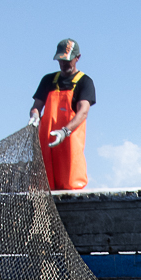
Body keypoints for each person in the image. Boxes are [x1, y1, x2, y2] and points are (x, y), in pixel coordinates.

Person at [30, 39, 95, 191]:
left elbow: (83, 111)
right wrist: (34, 117)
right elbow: (36, 107)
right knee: (43, 184)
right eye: (60, 60)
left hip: (69, 146)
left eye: (67, 60)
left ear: (77, 57)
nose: (63, 64)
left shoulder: (84, 82)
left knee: (71, 183)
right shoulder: (48, 81)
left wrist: (65, 131)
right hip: (47, 144)